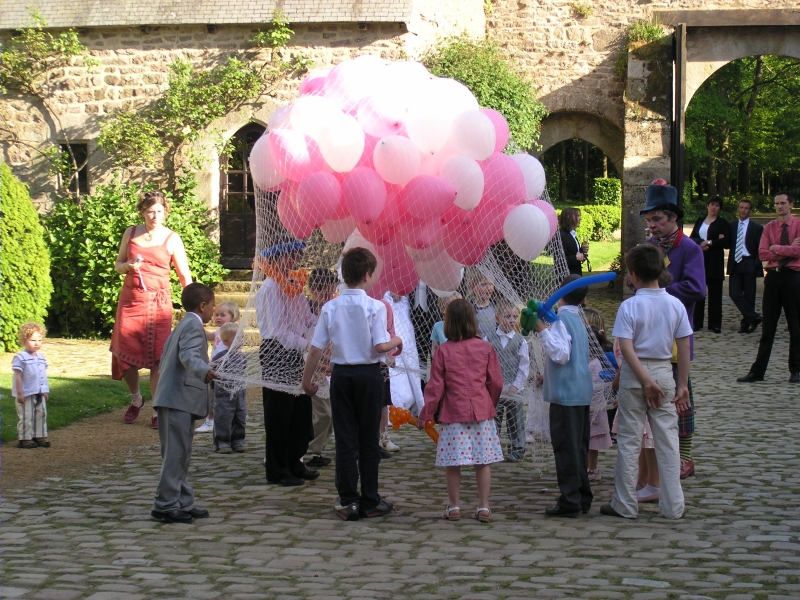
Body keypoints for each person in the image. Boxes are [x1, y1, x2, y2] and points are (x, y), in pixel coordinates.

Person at [302, 247, 403, 521]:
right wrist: (399, 341)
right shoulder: (376, 307)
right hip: (369, 375)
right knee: (369, 438)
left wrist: (306, 379)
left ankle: (348, 499)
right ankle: (370, 498)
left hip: (342, 376)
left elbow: (315, 349)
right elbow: (381, 344)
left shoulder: (330, 306)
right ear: (367, 275)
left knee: (345, 439)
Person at [601, 245, 692, 520]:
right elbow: (684, 345)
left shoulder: (630, 306)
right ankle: (673, 505)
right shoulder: (675, 304)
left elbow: (626, 348)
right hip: (664, 372)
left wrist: (643, 379)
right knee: (667, 438)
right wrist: (682, 384)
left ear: (633, 275)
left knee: (629, 439)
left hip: (634, 374)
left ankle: (625, 503)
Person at [418, 299, 504, 522]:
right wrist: (489, 403)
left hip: (452, 412)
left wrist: (427, 413)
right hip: (481, 411)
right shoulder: (486, 347)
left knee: (452, 463)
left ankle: (454, 506)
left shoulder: (444, 351)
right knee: (482, 462)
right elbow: (495, 382)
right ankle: (483, 506)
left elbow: (435, 387)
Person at [113, 190, 193, 430]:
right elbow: (118, 265)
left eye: (159, 211)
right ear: (142, 212)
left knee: (159, 358)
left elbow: (183, 274)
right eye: (150, 212)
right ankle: (137, 398)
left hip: (158, 304)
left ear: (165, 212)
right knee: (123, 353)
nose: (154, 216)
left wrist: (192, 306)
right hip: (131, 300)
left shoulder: (172, 238)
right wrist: (127, 266)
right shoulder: (131, 232)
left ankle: (158, 408)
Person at [641, 181, 704, 479]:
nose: (652, 225)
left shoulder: (689, 248)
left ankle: (686, 458)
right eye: (649, 220)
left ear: (673, 218)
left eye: (657, 219)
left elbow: (696, 288)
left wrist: (659, 288)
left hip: (677, 337)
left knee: (682, 395)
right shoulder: (649, 248)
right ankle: (658, 454)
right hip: (648, 335)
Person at [151, 283, 218, 524]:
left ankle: (183, 501)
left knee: (182, 453)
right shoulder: (192, 325)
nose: (214, 309)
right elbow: (188, 355)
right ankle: (165, 505)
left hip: (178, 398)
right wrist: (204, 370)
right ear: (202, 305)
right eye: (212, 304)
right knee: (175, 454)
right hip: (176, 398)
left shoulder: (184, 324)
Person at [255, 241, 319, 487]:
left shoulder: (294, 284)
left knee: (301, 411)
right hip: (277, 351)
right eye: (288, 256)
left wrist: (321, 322)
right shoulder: (271, 289)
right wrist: (308, 346)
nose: (293, 260)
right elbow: (279, 331)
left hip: (296, 350)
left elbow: (306, 318)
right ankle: (277, 468)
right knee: (279, 413)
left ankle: (295, 461)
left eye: (296, 256)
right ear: (275, 258)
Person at [534, 274, 594, 518]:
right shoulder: (579, 318)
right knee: (579, 447)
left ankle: (570, 499)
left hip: (565, 394)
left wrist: (541, 331)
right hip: (580, 392)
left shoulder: (562, 321)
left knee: (566, 448)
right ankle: (582, 496)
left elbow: (561, 354)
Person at [737, 192, 800, 384]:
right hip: (773, 278)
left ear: (791, 204)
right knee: (768, 328)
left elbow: (798, 251)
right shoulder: (770, 227)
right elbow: (763, 254)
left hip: (793, 278)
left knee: (796, 326)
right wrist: (785, 249)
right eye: (776, 204)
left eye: (783, 203)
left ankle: (796, 370)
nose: (779, 207)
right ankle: (758, 371)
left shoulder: (798, 226)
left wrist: (776, 248)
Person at [485, 300, 529, 463]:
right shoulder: (488, 338)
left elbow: (524, 365)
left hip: (514, 388)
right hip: (494, 389)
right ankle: (492, 448)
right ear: (497, 318)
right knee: (493, 419)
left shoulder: (520, 341)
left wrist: (516, 384)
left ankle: (517, 448)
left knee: (515, 419)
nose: (512, 320)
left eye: (515, 317)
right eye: (507, 316)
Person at [304, 268, 339, 468]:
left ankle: (317, 450)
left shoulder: (330, 310)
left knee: (331, 414)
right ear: (314, 290)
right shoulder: (307, 311)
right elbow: (309, 345)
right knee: (322, 413)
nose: (329, 296)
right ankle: (309, 450)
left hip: (323, 368)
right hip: (310, 368)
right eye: (327, 292)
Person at [197, 301, 241, 434]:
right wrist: (198, 327)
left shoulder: (231, 330)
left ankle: (213, 419)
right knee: (213, 393)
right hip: (215, 366)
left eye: (222, 315)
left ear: (232, 316)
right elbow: (211, 336)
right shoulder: (219, 330)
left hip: (225, 367)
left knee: (218, 395)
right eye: (216, 315)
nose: (218, 318)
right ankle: (212, 419)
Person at [690, 196, 729, 333]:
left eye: (717, 205)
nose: (714, 208)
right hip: (700, 259)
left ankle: (715, 324)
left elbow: (726, 241)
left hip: (715, 261)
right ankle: (696, 322)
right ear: (707, 206)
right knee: (699, 292)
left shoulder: (723, 223)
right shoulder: (700, 221)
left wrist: (710, 243)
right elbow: (692, 238)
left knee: (715, 294)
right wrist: (701, 243)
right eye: (712, 204)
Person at [727, 198, 764, 334]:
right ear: (738, 209)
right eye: (741, 207)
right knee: (734, 293)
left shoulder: (757, 228)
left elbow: (761, 248)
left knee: (749, 295)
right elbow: (727, 242)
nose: (743, 210)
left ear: (750, 210)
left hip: (749, 262)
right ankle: (754, 317)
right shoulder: (731, 226)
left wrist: (755, 264)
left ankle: (746, 324)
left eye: (746, 208)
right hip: (735, 262)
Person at [210, 322, 247, 454]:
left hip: (239, 392)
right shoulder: (220, 358)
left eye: (242, 338)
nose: (241, 341)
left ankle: (238, 441)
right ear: (226, 341)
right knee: (223, 418)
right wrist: (213, 388)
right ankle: (222, 442)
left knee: (240, 417)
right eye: (237, 339)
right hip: (224, 392)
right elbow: (212, 374)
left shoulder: (242, 357)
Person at [13, 322, 51, 449]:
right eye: (33, 340)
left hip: (39, 391)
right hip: (26, 392)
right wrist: (19, 393)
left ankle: (39, 435)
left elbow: (42, 374)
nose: (37, 343)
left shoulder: (41, 357)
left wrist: (45, 390)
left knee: (41, 413)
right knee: (26, 415)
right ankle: (25, 438)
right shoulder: (21, 357)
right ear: (24, 340)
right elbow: (17, 376)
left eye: (39, 340)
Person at [586, 324, 613, 481]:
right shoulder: (586, 361)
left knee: (593, 442)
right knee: (585, 440)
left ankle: (593, 468)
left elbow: (595, 384)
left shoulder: (594, 363)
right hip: (586, 406)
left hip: (594, 408)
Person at [558, 207, 589, 276]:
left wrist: (581, 251)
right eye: (577, 216)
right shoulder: (561, 235)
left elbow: (571, 253)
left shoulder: (571, 234)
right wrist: (576, 258)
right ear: (568, 217)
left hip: (575, 276)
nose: (580, 218)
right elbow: (559, 260)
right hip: (567, 279)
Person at [467, 270, 497, 338]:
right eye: (484, 284)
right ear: (472, 287)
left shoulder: (495, 305)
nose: (489, 288)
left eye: (491, 284)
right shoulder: (469, 308)